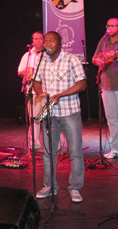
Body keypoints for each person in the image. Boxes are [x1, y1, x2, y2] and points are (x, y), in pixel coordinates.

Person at [33, 31, 87, 203]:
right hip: (49, 114)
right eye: (45, 40)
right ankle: (50, 186)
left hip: (69, 111)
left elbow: (82, 84)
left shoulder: (72, 59)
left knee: (75, 152)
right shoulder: (41, 60)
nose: (47, 43)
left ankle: (75, 188)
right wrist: (42, 94)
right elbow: (36, 81)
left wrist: (60, 95)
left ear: (60, 43)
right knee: (48, 152)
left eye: (51, 41)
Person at [92, 18, 118, 164]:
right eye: (108, 25)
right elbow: (95, 58)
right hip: (106, 84)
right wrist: (102, 61)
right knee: (111, 119)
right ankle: (116, 148)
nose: (110, 28)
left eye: (113, 26)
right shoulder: (103, 41)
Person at [17, 31, 44, 149]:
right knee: (34, 119)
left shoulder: (47, 54)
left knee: (51, 119)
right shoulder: (27, 55)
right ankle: (34, 144)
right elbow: (20, 72)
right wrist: (28, 72)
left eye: (40, 39)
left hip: (46, 91)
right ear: (32, 41)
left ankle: (56, 145)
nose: (38, 41)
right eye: (36, 39)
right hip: (32, 91)